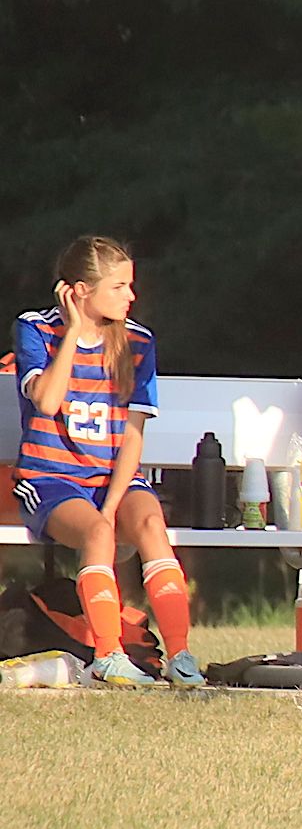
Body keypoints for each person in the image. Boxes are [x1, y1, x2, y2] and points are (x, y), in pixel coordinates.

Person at [13, 235, 202, 687]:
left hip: (113, 477)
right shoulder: (35, 328)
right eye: (118, 287)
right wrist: (74, 333)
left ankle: (180, 656)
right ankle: (108, 655)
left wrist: (114, 503)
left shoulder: (138, 341)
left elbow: (134, 435)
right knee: (97, 531)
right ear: (80, 291)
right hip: (50, 478)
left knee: (150, 523)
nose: (130, 296)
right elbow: (47, 402)